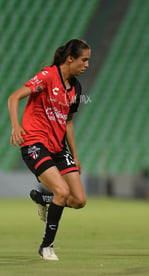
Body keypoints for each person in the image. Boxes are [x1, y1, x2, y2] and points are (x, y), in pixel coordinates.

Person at [8, 39, 91, 260]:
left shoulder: (76, 87)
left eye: (89, 61)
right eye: (84, 60)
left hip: (58, 147)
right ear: (70, 59)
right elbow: (14, 97)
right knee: (63, 192)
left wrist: (74, 155)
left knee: (79, 201)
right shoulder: (47, 76)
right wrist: (17, 126)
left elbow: (68, 123)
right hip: (35, 142)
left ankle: (45, 199)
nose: (87, 65)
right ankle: (46, 246)